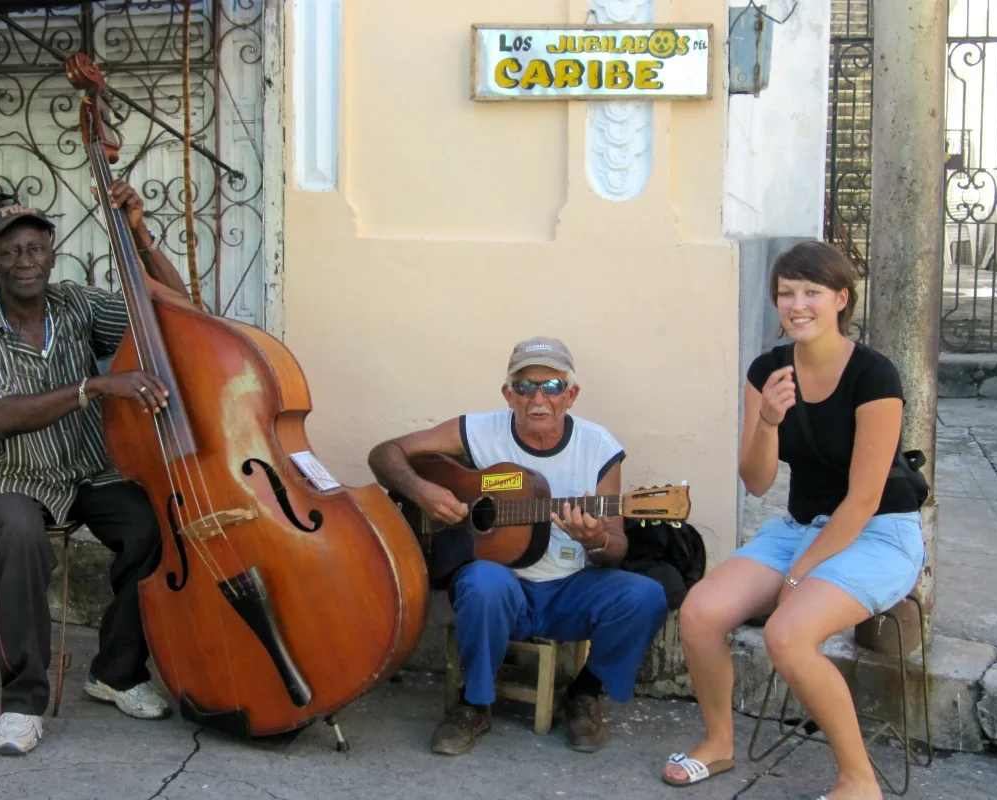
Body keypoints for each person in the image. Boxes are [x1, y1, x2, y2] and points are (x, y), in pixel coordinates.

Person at [660, 241, 925, 800]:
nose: (797, 304)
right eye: (786, 294)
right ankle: (719, 742)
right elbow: (755, 480)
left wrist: (799, 574)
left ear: (840, 300)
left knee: (788, 634)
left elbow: (863, 499)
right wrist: (769, 421)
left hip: (878, 531)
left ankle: (859, 780)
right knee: (702, 612)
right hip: (800, 524)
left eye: (812, 292)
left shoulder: (874, 376)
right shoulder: (769, 371)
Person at [0, 181, 190, 755]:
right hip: (3, 473)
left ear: (52, 254)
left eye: (34, 248)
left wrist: (140, 237)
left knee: (154, 521)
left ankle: (117, 671)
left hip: (82, 468)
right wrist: (94, 386)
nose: (23, 261)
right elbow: (0, 418)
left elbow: (174, 314)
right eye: (8, 251)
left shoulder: (78, 304)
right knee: (23, 533)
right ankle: (22, 703)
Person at [368, 337, 668, 756]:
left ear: (571, 393)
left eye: (552, 386)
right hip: (500, 583)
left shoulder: (599, 447)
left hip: (570, 588)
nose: (538, 398)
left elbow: (615, 548)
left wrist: (596, 539)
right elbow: (385, 455)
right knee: (483, 583)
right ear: (509, 394)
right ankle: (475, 705)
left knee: (646, 596)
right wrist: (422, 492)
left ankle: (584, 694)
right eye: (525, 387)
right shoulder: (477, 430)